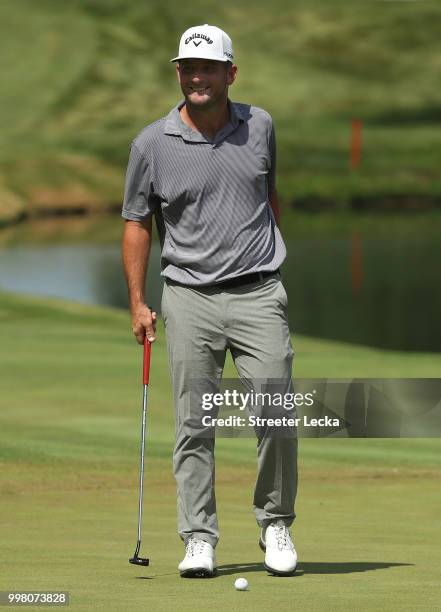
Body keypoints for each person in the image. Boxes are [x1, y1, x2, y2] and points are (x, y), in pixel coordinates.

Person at [121, 24, 298, 577]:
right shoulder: (151, 144)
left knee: (275, 413)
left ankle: (275, 524)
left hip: (259, 293)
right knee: (195, 423)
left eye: (208, 68)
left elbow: (267, 195)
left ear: (230, 73)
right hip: (189, 298)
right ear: (179, 73)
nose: (197, 77)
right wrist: (138, 303)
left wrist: (265, 254)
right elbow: (136, 222)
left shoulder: (261, 125)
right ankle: (199, 538)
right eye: (187, 68)